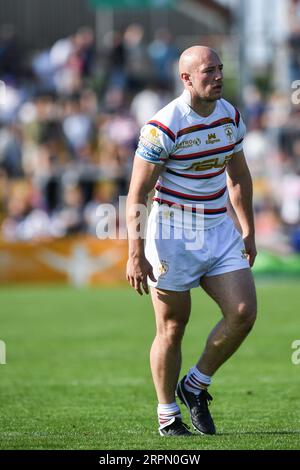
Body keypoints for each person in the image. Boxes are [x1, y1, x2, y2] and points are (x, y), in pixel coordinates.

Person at [126, 46, 257, 437]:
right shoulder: (163, 125)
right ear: (186, 79)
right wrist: (135, 252)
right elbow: (137, 194)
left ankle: (196, 384)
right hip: (172, 234)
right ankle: (168, 415)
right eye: (208, 71)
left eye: (219, 68)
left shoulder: (230, 116)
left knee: (243, 312)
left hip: (218, 228)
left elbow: (239, 178)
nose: (217, 76)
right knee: (172, 327)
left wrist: (248, 230)